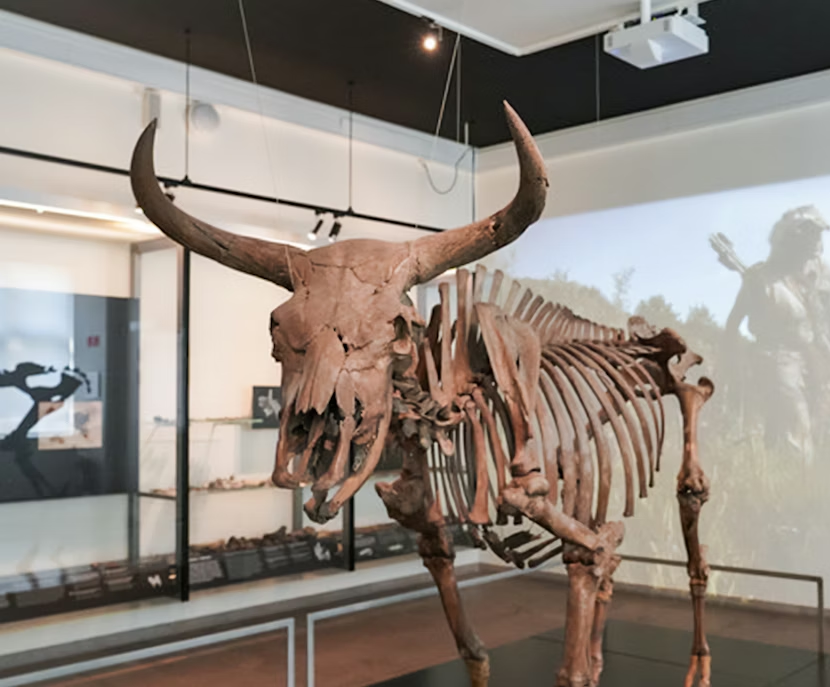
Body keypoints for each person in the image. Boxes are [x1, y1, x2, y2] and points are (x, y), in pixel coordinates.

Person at [720, 205, 830, 464]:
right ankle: (797, 488)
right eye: (808, 235)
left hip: (814, 354)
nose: (816, 241)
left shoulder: (820, 273)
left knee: (816, 420)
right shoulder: (760, 278)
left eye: (817, 235)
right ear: (791, 239)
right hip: (777, 356)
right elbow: (734, 321)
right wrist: (729, 363)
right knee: (796, 425)